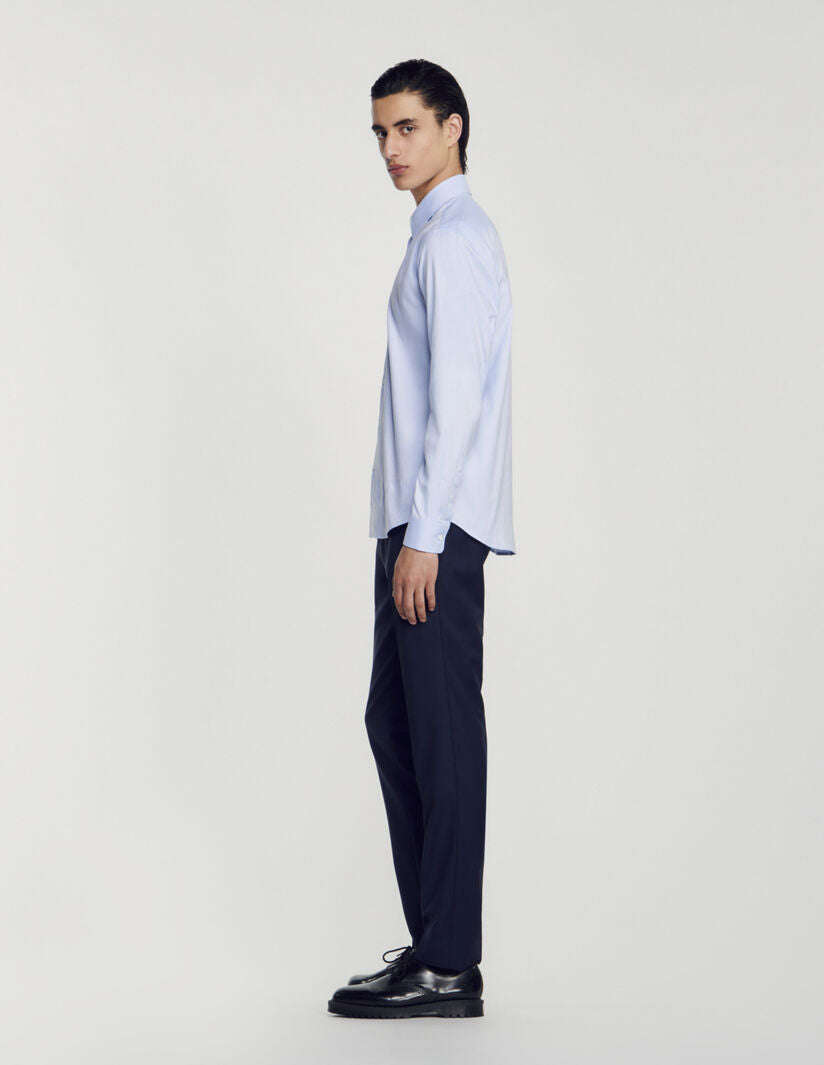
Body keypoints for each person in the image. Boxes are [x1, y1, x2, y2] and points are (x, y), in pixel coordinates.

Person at [327, 58, 516, 1020]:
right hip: (412, 521)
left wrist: (426, 537)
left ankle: (449, 963)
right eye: (380, 133)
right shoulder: (434, 237)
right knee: (397, 724)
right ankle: (435, 942)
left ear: (453, 126)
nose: (390, 149)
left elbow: (458, 401)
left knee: (439, 735)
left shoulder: (456, 241)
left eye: (407, 127)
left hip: (435, 529)